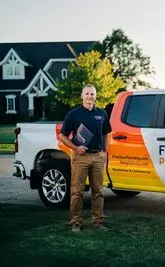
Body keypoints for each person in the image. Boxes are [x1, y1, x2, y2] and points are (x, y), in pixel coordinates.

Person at [58, 84, 112, 233]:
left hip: (98, 156)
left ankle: (98, 222)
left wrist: (105, 151)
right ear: (82, 96)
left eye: (92, 94)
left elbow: (106, 132)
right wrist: (75, 148)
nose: (89, 96)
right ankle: (76, 222)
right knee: (77, 191)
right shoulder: (74, 114)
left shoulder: (102, 113)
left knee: (98, 191)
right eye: (87, 94)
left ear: (96, 96)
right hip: (80, 157)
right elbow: (62, 136)